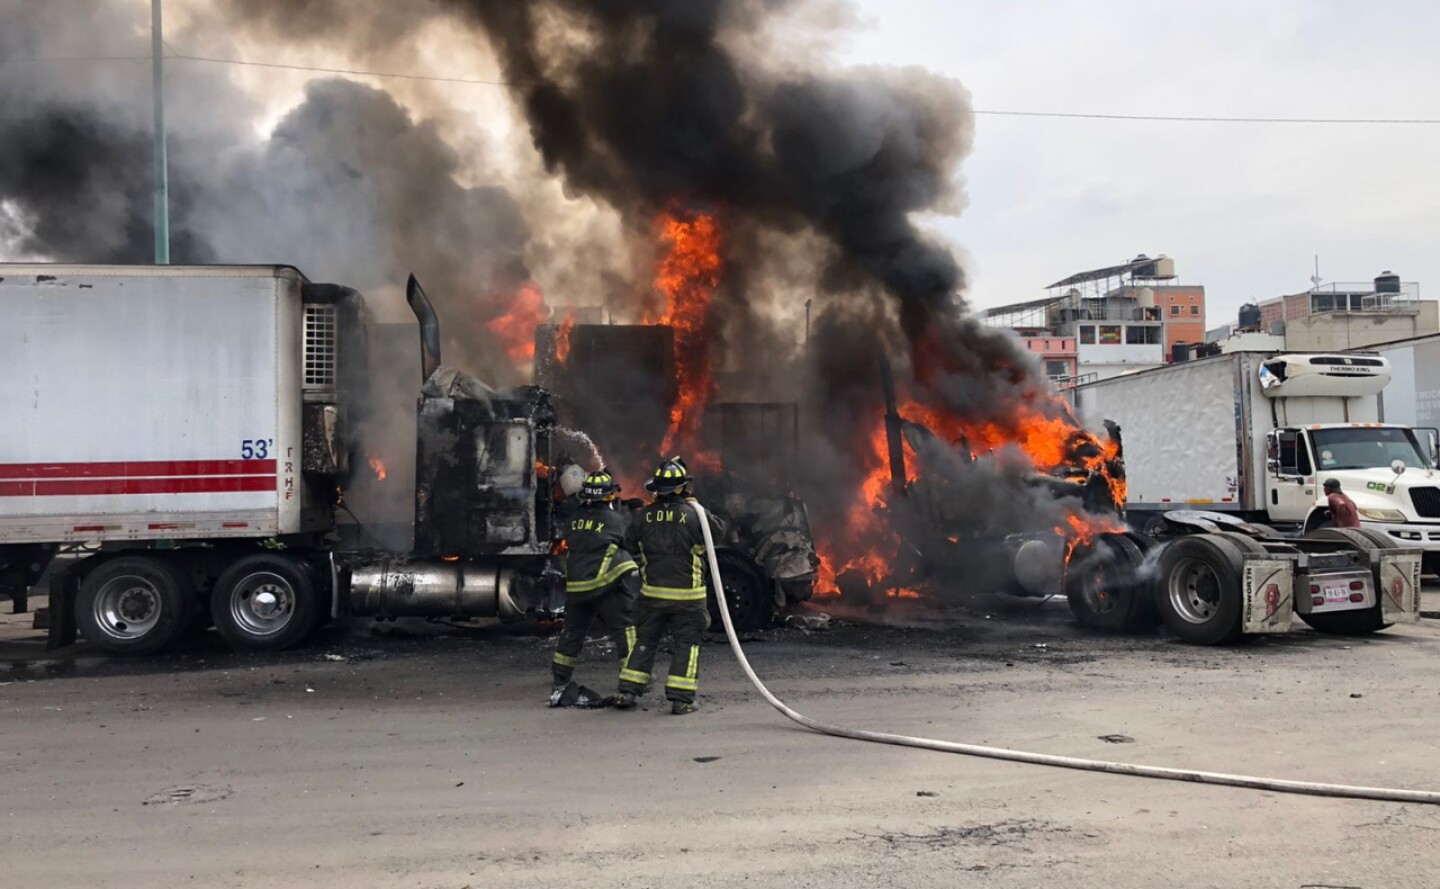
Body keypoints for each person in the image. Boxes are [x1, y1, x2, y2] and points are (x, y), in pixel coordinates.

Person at [615, 457, 724, 715]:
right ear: (682, 488)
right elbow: (717, 533)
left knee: (645, 641)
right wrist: (696, 505)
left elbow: (630, 543)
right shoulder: (693, 515)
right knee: (687, 644)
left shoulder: (643, 516)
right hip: (688, 597)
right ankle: (682, 700)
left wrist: (646, 565)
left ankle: (627, 691)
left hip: (652, 595)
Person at [550, 470, 640, 707]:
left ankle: (560, 680)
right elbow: (630, 544)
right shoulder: (615, 520)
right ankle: (631, 681)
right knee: (625, 627)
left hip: (577, 586)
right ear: (609, 496)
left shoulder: (574, 520)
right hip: (605, 584)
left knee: (572, 632)